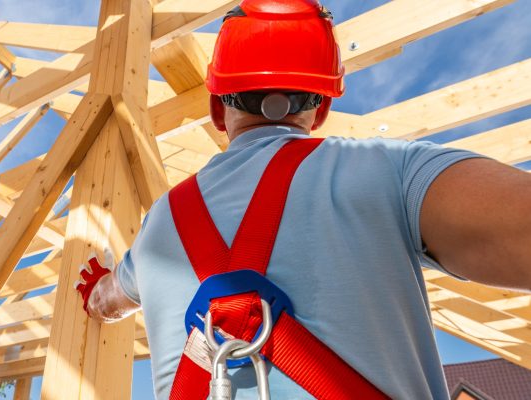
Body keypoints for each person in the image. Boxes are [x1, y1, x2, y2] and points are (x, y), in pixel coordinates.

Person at [75, 1, 531, 399]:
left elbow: (106, 301)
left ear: (217, 109)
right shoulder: (387, 170)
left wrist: (97, 285)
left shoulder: (160, 224)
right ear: (323, 108)